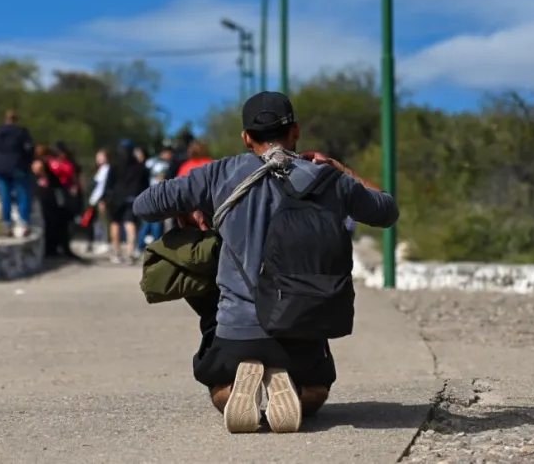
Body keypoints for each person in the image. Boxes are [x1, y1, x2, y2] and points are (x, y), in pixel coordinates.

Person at [132, 91, 399, 434]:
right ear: (296, 131)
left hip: (236, 329)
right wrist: (341, 169)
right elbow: (386, 211)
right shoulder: (328, 179)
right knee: (317, 392)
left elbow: (144, 206)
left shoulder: (218, 174)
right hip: (302, 327)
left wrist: (188, 205)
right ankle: (290, 387)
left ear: (246, 138)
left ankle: (232, 391)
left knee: (218, 389)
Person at [0, 110, 34, 237]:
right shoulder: (22, 133)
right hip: (18, 167)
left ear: (5, 119)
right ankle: (24, 223)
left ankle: (7, 225)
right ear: (15, 120)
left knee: (4, 196)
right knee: (22, 195)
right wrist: (28, 162)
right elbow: (29, 149)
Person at [102, 140, 150, 263]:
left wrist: (104, 198)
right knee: (130, 224)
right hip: (133, 198)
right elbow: (145, 185)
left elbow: (108, 184)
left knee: (115, 223)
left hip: (116, 198)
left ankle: (117, 252)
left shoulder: (114, 165)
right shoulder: (140, 167)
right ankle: (130, 252)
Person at [31, 145, 77, 259]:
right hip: (50, 194)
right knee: (53, 221)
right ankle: (54, 248)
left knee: (54, 221)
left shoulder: (48, 163)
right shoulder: (48, 163)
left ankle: (54, 247)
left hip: (50, 193)